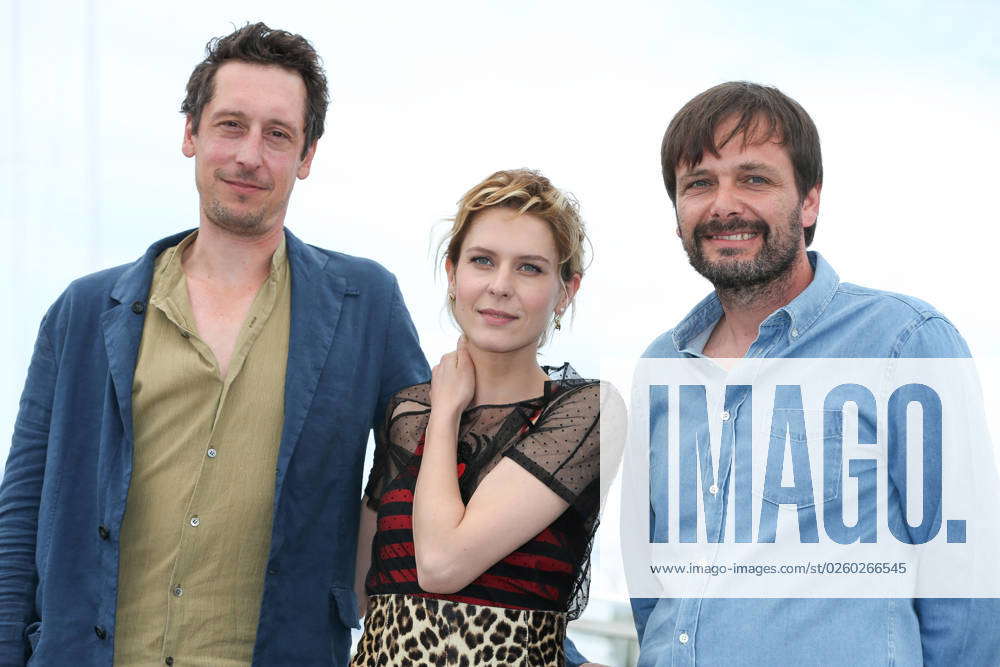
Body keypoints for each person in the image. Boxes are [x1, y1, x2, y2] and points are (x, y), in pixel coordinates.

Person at [0, 23, 429, 666]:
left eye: (277, 134)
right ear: (190, 134)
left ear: (307, 156)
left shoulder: (365, 304)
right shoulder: (84, 313)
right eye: (231, 125)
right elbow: (21, 516)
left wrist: (546, 642)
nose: (250, 155)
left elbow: (433, 476)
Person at [631, 81, 1000, 665]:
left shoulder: (904, 342)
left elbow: (967, 582)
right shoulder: (660, 368)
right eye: (699, 183)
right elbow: (652, 584)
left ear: (809, 202)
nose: (724, 204)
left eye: (754, 178)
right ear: (677, 214)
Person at [351, 169, 619, 667]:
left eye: (530, 268)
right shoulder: (406, 412)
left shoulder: (588, 412)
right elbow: (368, 590)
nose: (500, 286)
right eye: (482, 261)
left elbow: (440, 564)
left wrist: (447, 411)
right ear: (453, 275)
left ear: (566, 290)